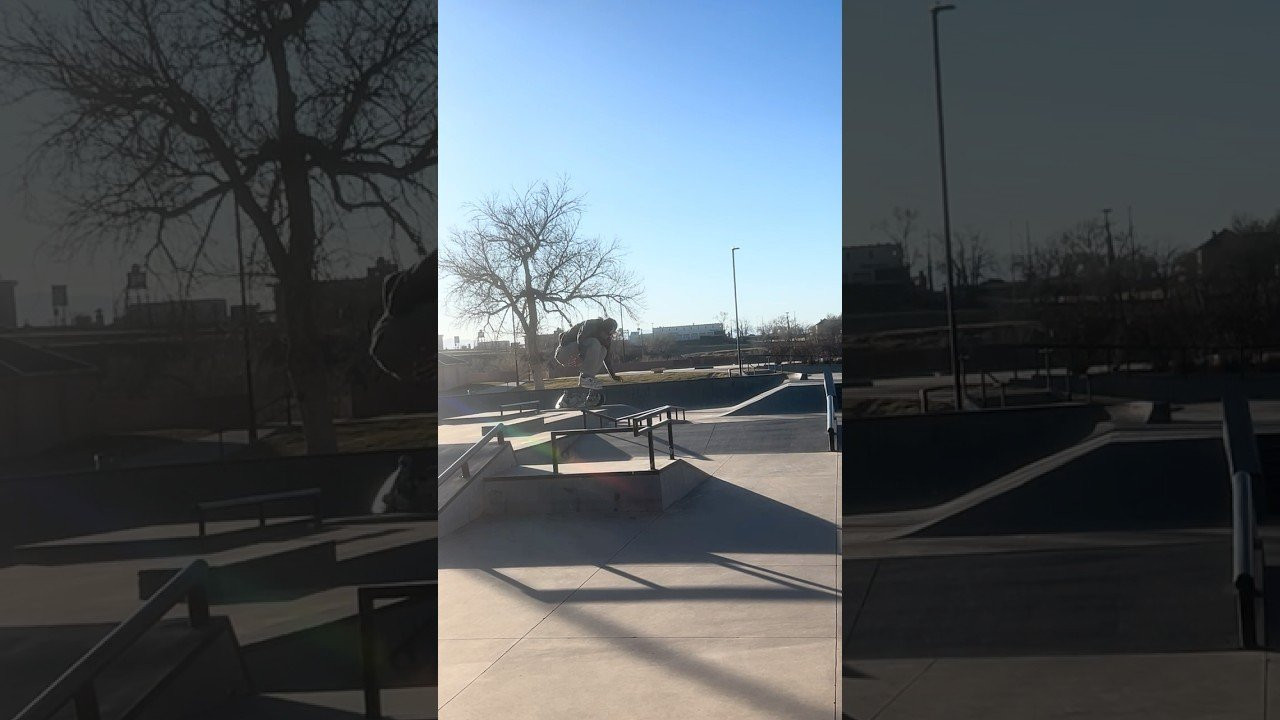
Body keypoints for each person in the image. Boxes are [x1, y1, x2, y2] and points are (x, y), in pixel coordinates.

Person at [554, 317, 623, 389]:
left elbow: (607, 358)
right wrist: (581, 356)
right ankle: (585, 378)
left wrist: (613, 375)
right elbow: (580, 338)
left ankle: (588, 379)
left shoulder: (607, 338)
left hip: (577, 355)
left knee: (604, 350)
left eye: (609, 335)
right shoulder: (591, 324)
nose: (606, 337)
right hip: (563, 352)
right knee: (595, 342)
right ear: (601, 328)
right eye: (605, 334)